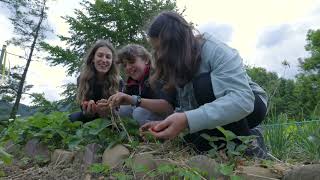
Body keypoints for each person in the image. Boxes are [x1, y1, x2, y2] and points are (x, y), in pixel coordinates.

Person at [140, 11, 268, 158]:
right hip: (219, 113)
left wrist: (187, 119)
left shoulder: (215, 50)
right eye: (156, 49)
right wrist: (164, 124)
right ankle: (243, 140)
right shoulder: (179, 63)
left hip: (251, 105)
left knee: (203, 84)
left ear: (176, 44)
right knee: (193, 146)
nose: (159, 55)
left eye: (161, 49)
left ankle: (248, 146)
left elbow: (242, 100)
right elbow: (188, 107)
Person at [107, 44, 176, 126]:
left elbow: (169, 107)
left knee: (140, 113)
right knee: (121, 110)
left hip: (174, 116)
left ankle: (156, 136)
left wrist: (134, 100)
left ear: (146, 60)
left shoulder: (157, 75)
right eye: (125, 65)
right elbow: (127, 103)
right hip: (151, 114)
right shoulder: (131, 82)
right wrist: (110, 104)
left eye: (132, 62)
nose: (128, 67)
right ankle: (133, 134)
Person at [69, 40, 121, 122]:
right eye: (100, 55)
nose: (104, 60)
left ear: (112, 62)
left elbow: (121, 110)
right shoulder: (82, 79)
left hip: (111, 120)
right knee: (72, 118)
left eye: (108, 57)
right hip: (90, 117)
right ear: (93, 58)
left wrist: (108, 110)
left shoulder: (119, 81)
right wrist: (87, 110)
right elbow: (82, 107)